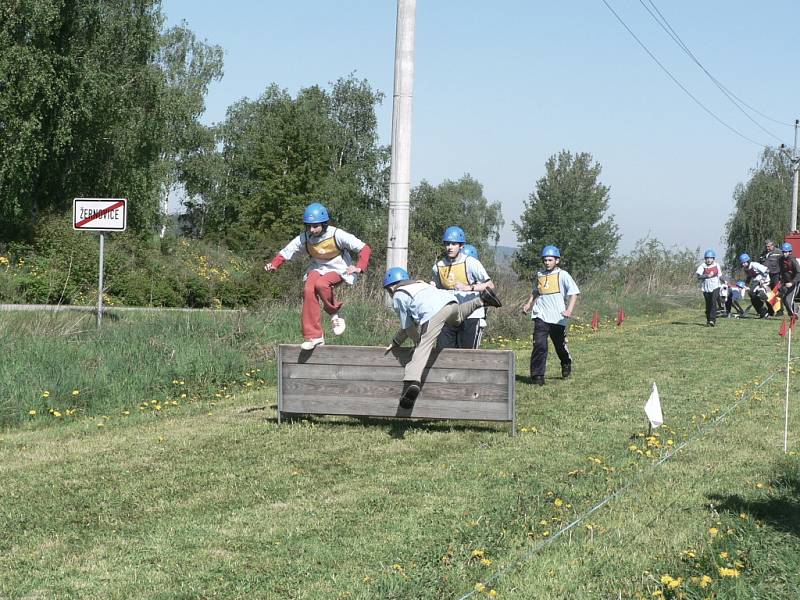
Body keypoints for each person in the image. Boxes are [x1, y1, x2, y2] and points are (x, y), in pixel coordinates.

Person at [383, 267, 502, 408]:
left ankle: (412, 382)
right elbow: (409, 324)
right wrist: (396, 341)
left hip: (433, 312)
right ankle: (482, 300)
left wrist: (417, 342)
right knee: (457, 318)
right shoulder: (420, 283)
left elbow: (408, 327)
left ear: (391, 287)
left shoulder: (398, 296)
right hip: (450, 302)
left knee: (423, 347)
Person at [265, 202, 371, 350]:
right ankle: (314, 336)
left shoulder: (336, 234)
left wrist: (359, 267)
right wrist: (274, 264)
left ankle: (335, 315)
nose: (312, 230)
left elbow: (364, 248)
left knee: (321, 284)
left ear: (324, 224)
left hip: (339, 268)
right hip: (317, 267)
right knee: (309, 289)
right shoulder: (305, 237)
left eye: (315, 226)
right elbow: (287, 251)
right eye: (308, 226)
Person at [521, 245, 580, 386]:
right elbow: (536, 291)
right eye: (545, 260)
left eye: (550, 260)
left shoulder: (563, 275)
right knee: (539, 344)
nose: (547, 262)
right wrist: (529, 304)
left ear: (557, 261)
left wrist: (569, 311)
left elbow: (574, 293)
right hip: (540, 314)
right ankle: (537, 376)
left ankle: (566, 362)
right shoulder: (540, 274)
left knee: (559, 345)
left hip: (558, 317)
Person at [431, 227, 494, 349]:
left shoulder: (470, 262)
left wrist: (468, 288)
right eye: (447, 243)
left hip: (471, 315)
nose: (450, 247)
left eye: (453, 244)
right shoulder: (438, 266)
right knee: (443, 354)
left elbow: (490, 285)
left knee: (466, 356)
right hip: (449, 315)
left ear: (461, 246)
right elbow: (438, 290)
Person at [695, 249, 723, 327]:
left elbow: (720, 275)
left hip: (716, 286)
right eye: (707, 258)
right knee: (708, 304)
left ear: (713, 259)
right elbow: (698, 276)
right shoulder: (702, 266)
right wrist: (707, 275)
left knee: (713, 302)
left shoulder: (717, 265)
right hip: (706, 288)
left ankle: (712, 320)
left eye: (710, 258)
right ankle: (708, 319)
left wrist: (724, 281)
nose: (708, 260)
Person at [739, 253, 771, 318]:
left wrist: (762, 280)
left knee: (754, 293)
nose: (743, 264)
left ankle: (767, 310)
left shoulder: (755, 264)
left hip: (764, 281)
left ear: (748, 261)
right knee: (752, 298)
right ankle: (762, 313)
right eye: (742, 263)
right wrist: (745, 285)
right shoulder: (746, 268)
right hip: (757, 281)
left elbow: (767, 270)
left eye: (744, 263)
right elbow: (749, 277)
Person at [760, 240, 783, 315]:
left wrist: (781, 275)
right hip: (766, 276)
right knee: (767, 294)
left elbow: (783, 263)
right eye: (766, 246)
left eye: (769, 246)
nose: (767, 248)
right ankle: (771, 310)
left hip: (776, 275)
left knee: (776, 294)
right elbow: (760, 263)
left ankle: (780, 311)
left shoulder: (779, 252)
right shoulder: (763, 253)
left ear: (773, 245)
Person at [779, 242, 800, 317]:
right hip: (785, 282)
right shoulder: (781, 260)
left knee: (788, 300)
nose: (784, 253)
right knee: (784, 299)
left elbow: (798, 273)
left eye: (786, 252)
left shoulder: (793, 261)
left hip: (794, 283)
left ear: (790, 252)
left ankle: (793, 315)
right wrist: (780, 280)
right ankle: (794, 313)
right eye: (783, 251)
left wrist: (792, 282)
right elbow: (782, 271)